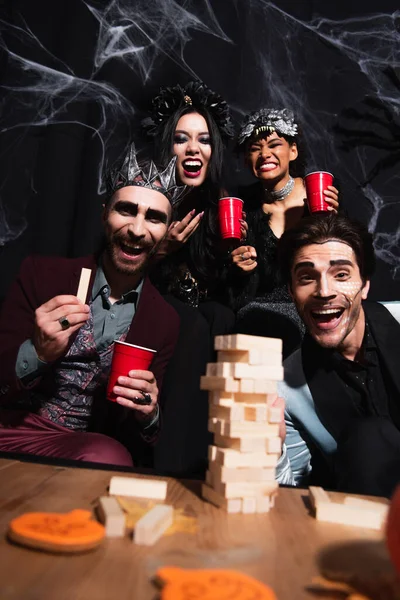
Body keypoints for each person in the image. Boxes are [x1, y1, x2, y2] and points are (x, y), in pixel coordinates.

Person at [0, 147, 184, 468]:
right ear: (104, 215)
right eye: (126, 210)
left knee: (109, 456)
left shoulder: (163, 320)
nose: (137, 230)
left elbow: (143, 437)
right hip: (12, 425)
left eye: (154, 218)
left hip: (80, 447)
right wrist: (37, 352)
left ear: (167, 231)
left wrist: (149, 413)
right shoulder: (42, 274)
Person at [275, 213, 400, 497]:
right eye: (306, 277)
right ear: (292, 292)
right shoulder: (285, 385)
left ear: (365, 285)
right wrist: (274, 451)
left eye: (341, 274)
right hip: (360, 522)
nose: (324, 291)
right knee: (369, 439)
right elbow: (290, 491)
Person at [229, 108, 339, 357]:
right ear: (247, 160)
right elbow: (236, 287)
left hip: (315, 303)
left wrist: (335, 223)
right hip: (260, 309)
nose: (264, 154)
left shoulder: (323, 195)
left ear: (293, 151)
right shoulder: (243, 208)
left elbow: (347, 262)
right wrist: (236, 264)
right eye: (255, 148)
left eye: (274, 145)